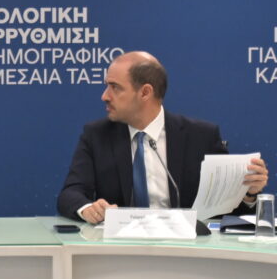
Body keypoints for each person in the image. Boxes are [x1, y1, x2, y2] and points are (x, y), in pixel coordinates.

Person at [57, 50, 268, 223]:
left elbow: (227, 210)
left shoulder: (201, 137)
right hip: (120, 249)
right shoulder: (97, 135)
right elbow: (70, 194)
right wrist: (88, 208)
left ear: (145, 92)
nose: (105, 96)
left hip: (188, 251)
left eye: (115, 87)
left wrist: (249, 193)